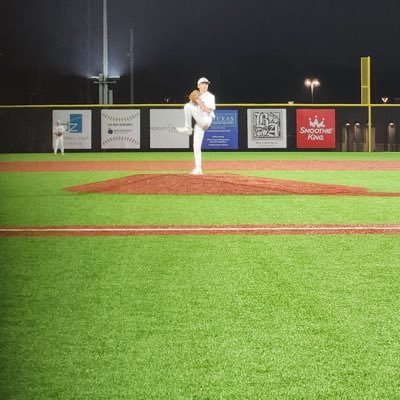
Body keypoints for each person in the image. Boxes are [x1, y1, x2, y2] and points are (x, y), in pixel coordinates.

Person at [177, 77, 216, 175]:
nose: (205, 85)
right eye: (203, 83)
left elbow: (208, 110)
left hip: (206, 119)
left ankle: (187, 128)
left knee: (187, 106)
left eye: (206, 84)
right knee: (196, 144)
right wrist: (193, 101)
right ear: (198, 86)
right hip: (199, 122)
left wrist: (199, 101)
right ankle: (198, 168)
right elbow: (191, 109)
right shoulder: (196, 96)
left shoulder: (210, 96)